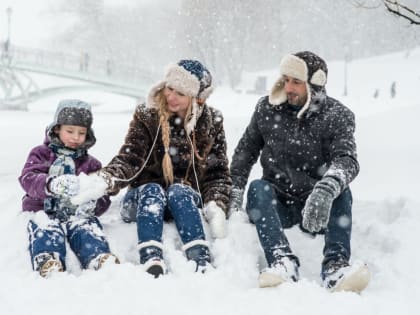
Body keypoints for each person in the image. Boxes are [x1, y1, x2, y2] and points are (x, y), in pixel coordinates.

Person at [73, 60, 232, 277]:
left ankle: (199, 257)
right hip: (142, 200)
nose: (171, 97)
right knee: (152, 190)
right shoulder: (148, 115)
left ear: (197, 98)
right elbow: (130, 158)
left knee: (179, 190)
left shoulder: (212, 121)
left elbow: (218, 172)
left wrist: (216, 203)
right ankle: (151, 256)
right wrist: (107, 179)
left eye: (181, 93)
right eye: (170, 88)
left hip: (182, 202)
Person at [229, 51, 370, 293]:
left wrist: (326, 189)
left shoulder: (337, 115)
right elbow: (245, 152)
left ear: (314, 85)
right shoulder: (266, 108)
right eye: (285, 79)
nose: (288, 87)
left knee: (342, 191)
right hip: (277, 204)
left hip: (317, 208)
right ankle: (282, 261)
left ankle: (335, 267)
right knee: (257, 188)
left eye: (296, 81)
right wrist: (233, 190)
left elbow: (347, 159)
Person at [19, 99, 119, 277]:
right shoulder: (41, 154)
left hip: (76, 213)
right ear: (57, 128)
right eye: (70, 131)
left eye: (81, 133)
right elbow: (28, 178)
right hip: (43, 209)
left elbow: (102, 195)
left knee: (86, 228)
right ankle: (48, 259)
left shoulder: (91, 164)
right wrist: (51, 184)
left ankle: (98, 256)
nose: (75, 137)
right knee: (46, 228)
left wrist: (94, 203)